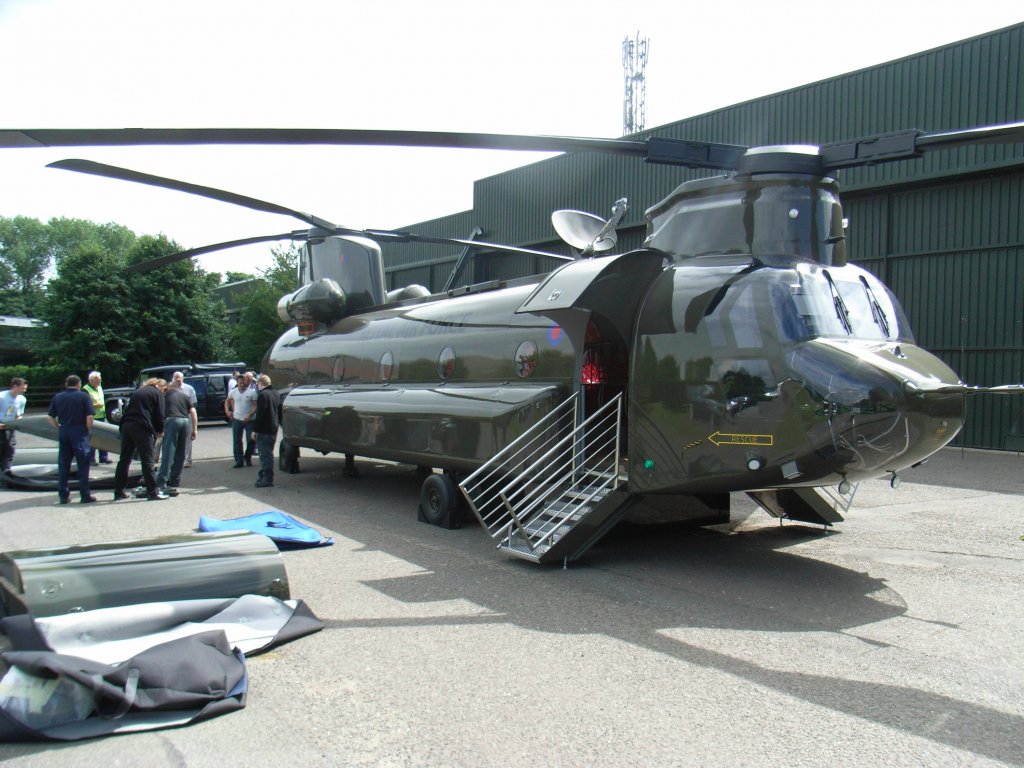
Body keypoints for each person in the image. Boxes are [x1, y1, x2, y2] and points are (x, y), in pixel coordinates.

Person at [113, 377, 167, 501]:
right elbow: (160, 414)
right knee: (147, 460)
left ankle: (118, 491)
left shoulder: (138, 392)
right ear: (161, 387)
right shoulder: (157, 393)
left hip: (126, 425)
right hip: (142, 427)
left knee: (124, 459)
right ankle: (152, 492)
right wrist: (160, 430)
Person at [46, 374, 95, 504]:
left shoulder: (58, 397)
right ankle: (85, 495)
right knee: (83, 464)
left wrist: (59, 427)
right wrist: (88, 430)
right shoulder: (84, 396)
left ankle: (63, 495)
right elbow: (89, 417)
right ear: (79, 384)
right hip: (79, 431)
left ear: (66, 384)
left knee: (64, 465)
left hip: (64, 431)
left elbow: (50, 417)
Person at [155, 376, 197, 497]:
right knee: (180, 452)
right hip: (185, 421)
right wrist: (194, 429)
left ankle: (161, 481)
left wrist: (158, 428)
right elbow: (193, 412)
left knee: (168, 451)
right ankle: (175, 480)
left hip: (172, 420)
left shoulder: (164, 395)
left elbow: (159, 412)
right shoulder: (183, 395)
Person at [252, 374, 282, 488]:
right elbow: (279, 411)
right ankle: (263, 474)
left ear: (260, 383)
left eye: (257, 384)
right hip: (273, 427)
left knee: (265, 455)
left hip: (264, 429)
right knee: (268, 452)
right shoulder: (276, 393)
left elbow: (260, 414)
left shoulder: (263, 395)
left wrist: (255, 429)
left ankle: (267, 478)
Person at [225, 371, 257, 468]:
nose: (242, 384)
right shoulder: (233, 392)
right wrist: (227, 411)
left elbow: (255, 405)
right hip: (237, 418)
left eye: (244, 382)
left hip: (249, 420)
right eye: (240, 383)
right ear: (237, 383)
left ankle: (247, 457)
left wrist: (250, 414)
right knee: (237, 440)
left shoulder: (252, 392)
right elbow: (227, 401)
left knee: (251, 439)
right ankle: (239, 460)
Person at [0, 377, 29, 478]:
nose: (24, 391)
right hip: (1, 424)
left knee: (10, 449)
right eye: (22, 388)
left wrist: (18, 421)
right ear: (15, 386)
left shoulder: (22, 399)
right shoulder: (2, 397)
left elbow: (19, 414)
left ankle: (5, 472)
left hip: (10, 426)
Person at [82, 371, 111, 465]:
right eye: (97, 381)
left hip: (102, 416)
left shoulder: (99, 387)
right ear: (91, 380)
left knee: (103, 438)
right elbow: (84, 404)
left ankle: (103, 457)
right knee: (92, 439)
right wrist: (95, 405)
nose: (99, 382)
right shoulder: (85, 390)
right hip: (92, 417)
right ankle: (91, 459)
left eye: (100, 381)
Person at [170, 371, 198, 468]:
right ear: (173, 379)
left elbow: (193, 404)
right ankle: (174, 459)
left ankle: (187, 460)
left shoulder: (189, 389)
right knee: (173, 438)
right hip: (173, 416)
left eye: (180, 378)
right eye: (176, 378)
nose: (178, 381)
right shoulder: (168, 388)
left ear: (183, 379)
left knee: (188, 438)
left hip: (186, 415)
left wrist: (195, 427)